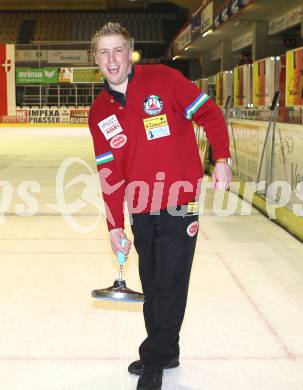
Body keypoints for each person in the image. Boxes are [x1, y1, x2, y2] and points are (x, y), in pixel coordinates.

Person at [89, 22, 232, 390]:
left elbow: (210, 114)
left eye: (118, 49)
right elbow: (109, 173)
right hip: (140, 206)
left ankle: (154, 359)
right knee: (152, 283)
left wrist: (222, 158)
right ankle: (168, 351)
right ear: (96, 59)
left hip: (179, 201)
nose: (112, 59)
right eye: (104, 52)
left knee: (170, 283)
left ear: (130, 51)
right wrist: (114, 225)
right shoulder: (99, 112)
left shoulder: (164, 80)